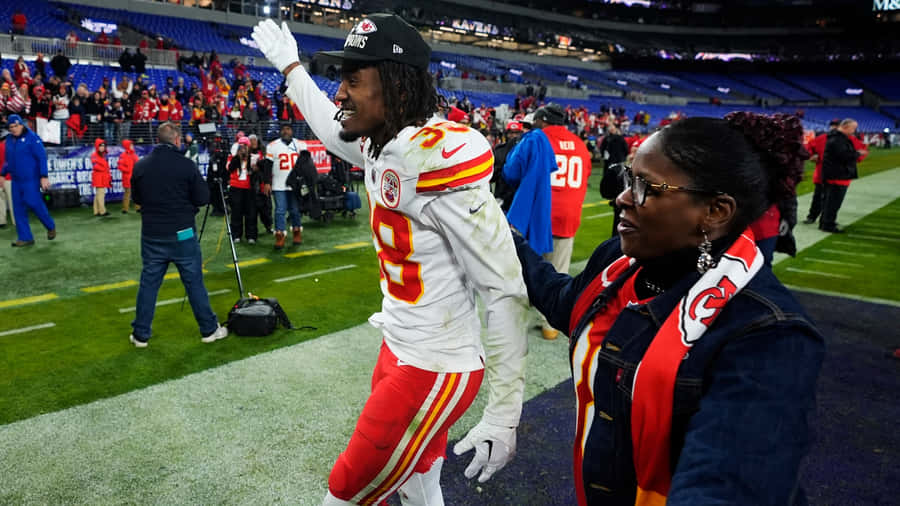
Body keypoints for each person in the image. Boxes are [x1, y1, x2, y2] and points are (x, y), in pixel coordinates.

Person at [253, 15, 529, 505]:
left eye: (354, 80)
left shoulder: (438, 156)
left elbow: (504, 289)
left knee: (344, 492)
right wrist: (291, 67)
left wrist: (504, 412)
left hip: (436, 364)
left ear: (396, 86)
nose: (340, 93)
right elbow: (331, 130)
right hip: (400, 344)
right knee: (418, 486)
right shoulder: (386, 143)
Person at [513, 113, 823, 505]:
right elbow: (568, 303)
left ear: (715, 212)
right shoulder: (622, 261)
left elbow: (725, 482)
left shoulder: (768, 334)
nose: (622, 196)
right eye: (628, 177)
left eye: (646, 187)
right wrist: (502, 238)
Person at [128, 122, 227, 347]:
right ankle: (209, 330)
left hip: (152, 235)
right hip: (182, 234)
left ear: (157, 140)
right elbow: (203, 198)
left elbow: (138, 199)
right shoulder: (186, 165)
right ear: (176, 140)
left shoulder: (141, 166)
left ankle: (141, 335)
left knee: (149, 285)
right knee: (194, 283)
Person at [534, 103, 593, 340]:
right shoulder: (579, 144)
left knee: (523, 263)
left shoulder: (538, 138)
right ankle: (550, 325)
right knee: (557, 269)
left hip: (539, 213)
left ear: (543, 120)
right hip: (568, 214)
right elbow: (585, 174)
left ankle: (519, 313)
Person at [502, 110, 556, 257]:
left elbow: (511, 173)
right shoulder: (545, 141)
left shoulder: (529, 141)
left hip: (520, 203)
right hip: (544, 204)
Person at [1, 115, 55, 246]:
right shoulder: (8, 140)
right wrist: (2, 174)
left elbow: (41, 157)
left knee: (34, 203)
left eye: (15, 126)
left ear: (21, 124)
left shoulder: (32, 138)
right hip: (16, 180)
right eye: (11, 127)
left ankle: (50, 225)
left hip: (31, 179)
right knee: (18, 208)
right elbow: (8, 161)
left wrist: (43, 176)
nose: (13, 129)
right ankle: (25, 237)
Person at [265, 123, 306, 249]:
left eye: (288, 129)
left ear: (292, 131)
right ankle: (280, 236)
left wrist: (305, 181)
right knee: (280, 211)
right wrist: (267, 182)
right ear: (280, 131)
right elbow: (267, 166)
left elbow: (306, 165)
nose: (285, 131)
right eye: (283, 129)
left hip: (295, 185)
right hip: (278, 184)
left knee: (295, 210)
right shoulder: (272, 146)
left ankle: (297, 233)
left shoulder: (301, 145)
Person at [820, 119, 861, 233]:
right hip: (837, 175)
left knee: (829, 202)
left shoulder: (836, 138)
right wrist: (858, 154)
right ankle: (828, 224)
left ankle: (826, 222)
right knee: (833, 202)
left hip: (835, 174)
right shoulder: (838, 139)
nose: (854, 131)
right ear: (846, 127)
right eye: (853, 128)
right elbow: (844, 156)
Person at [802, 119, 839, 225]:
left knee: (832, 199)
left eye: (836, 125)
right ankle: (812, 216)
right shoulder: (821, 139)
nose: (834, 127)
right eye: (833, 125)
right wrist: (811, 156)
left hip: (837, 175)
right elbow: (808, 149)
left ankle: (828, 219)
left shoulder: (845, 140)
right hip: (821, 175)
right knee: (818, 197)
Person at [599, 123, 629, 236]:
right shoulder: (616, 139)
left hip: (612, 163)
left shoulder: (608, 139)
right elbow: (626, 150)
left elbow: (603, 149)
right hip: (617, 163)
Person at [227, 136, 258, 244]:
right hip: (236, 187)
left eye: (245, 146)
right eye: (241, 146)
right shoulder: (232, 158)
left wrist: (255, 169)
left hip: (249, 189)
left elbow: (257, 172)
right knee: (236, 212)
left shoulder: (253, 157)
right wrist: (237, 158)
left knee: (251, 212)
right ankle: (236, 235)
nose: (243, 148)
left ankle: (251, 235)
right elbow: (229, 169)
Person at [91, 138, 111, 216]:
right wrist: (104, 168)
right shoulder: (94, 155)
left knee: (98, 194)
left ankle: (96, 211)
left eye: (103, 146)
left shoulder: (104, 155)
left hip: (102, 177)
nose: (102, 147)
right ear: (97, 146)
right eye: (101, 146)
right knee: (101, 194)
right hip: (98, 177)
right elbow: (95, 166)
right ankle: (102, 211)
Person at [119, 139, 139, 213]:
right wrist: (128, 170)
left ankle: (138, 207)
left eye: (132, 145)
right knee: (127, 193)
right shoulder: (123, 155)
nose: (132, 146)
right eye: (131, 145)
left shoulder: (134, 155)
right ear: (127, 146)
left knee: (136, 192)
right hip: (127, 177)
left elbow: (138, 164)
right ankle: (125, 209)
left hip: (134, 176)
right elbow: (120, 166)